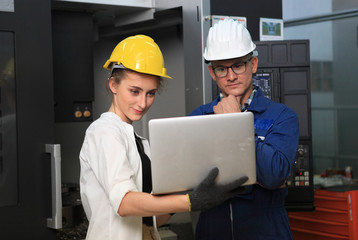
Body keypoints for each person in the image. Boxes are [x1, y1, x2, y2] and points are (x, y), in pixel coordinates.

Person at [79, 34, 248, 240]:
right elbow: (124, 203)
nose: (143, 103)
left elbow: (152, 219)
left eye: (150, 93)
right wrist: (190, 200)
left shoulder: (139, 141)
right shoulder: (104, 131)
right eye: (134, 91)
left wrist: (194, 189)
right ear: (113, 85)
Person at [189, 19, 299, 240]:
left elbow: (273, 176)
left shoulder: (282, 117)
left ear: (253, 65)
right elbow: (188, 181)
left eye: (238, 65)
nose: (230, 76)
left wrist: (236, 123)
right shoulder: (198, 118)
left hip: (266, 232)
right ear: (212, 72)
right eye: (221, 68)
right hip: (212, 232)